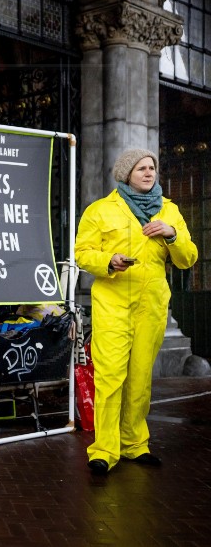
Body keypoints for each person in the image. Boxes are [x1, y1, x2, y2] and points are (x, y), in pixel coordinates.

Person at [75, 148, 197, 476]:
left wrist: (171, 235)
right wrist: (108, 261)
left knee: (141, 378)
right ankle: (104, 450)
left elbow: (188, 258)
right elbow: (82, 253)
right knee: (111, 377)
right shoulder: (101, 210)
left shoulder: (169, 211)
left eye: (152, 167)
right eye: (141, 168)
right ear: (126, 173)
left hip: (151, 306)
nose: (148, 172)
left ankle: (135, 444)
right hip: (112, 303)